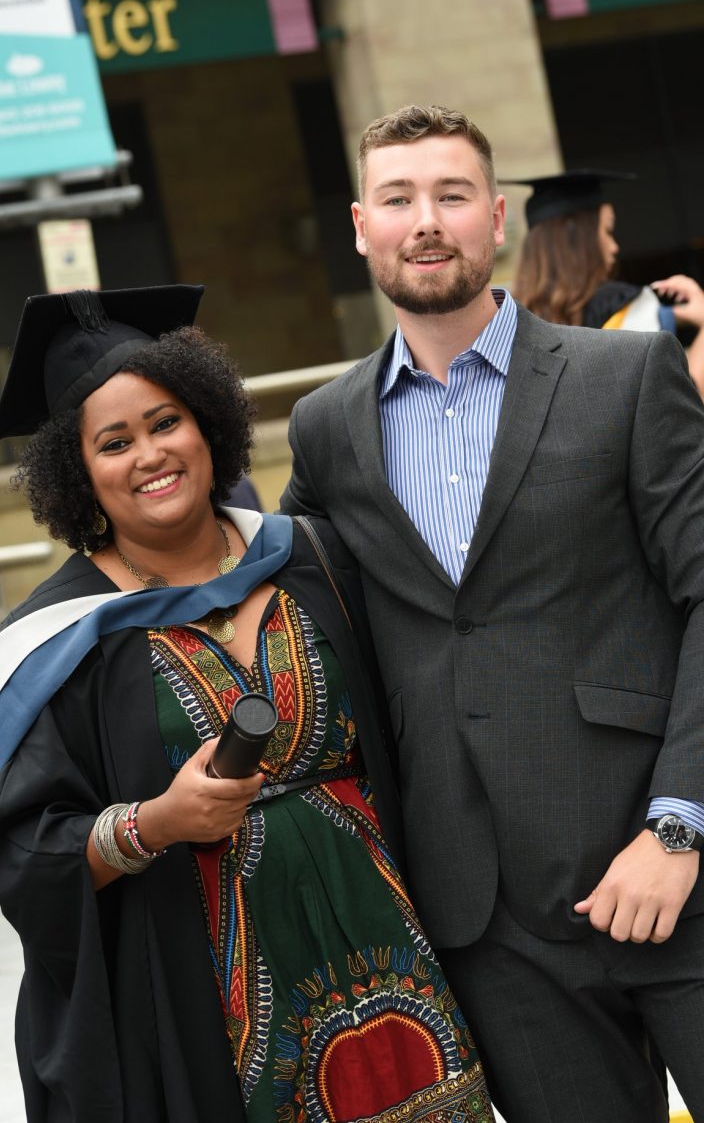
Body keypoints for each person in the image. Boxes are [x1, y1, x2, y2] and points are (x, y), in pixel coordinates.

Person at [0, 284, 493, 1123]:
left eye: (165, 422)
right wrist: (155, 823)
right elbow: (25, 861)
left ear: (209, 424)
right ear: (80, 474)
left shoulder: (312, 558)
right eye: (114, 442)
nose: (149, 454)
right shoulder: (52, 644)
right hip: (206, 1000)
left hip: (393, 948)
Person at [279, 105, 704, 1123]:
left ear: (497, 216)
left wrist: (680, 825)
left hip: (669, 866)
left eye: (452, 195)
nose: (426, 220)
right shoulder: (327, 428)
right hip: (490, 919)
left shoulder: (623, 374)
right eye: (399, 198)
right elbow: (277, 604)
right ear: (360, 224)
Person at [510, 169, 704, 390]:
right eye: (608, 231)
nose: (615, 247)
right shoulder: (619, 305)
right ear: (579, 240)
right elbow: (681, 400)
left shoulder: (512, 322)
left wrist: (673, 314)